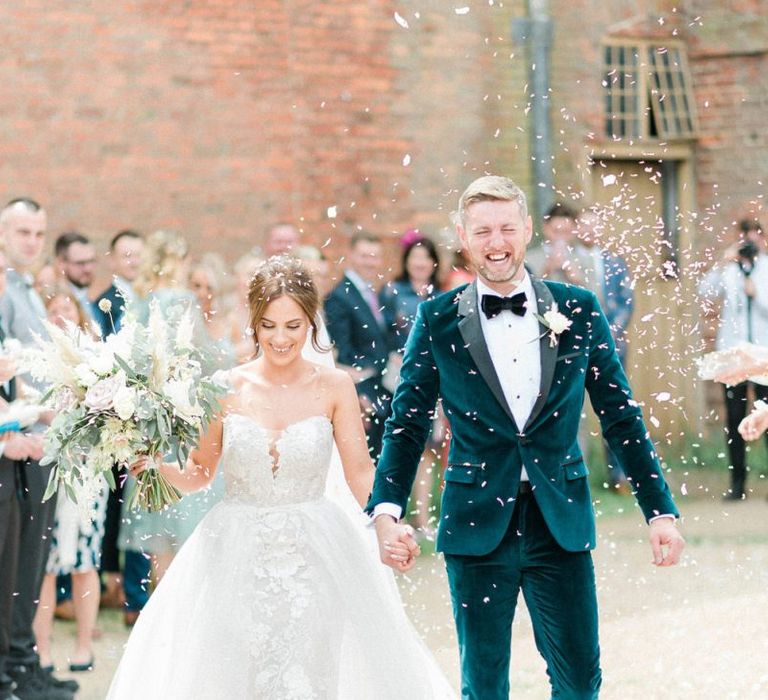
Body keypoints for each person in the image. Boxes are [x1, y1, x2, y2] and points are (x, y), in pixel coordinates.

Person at [368, 176, 685, 700]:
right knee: (485, 685)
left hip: (557, 516)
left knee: (580, 681)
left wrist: (660, 512)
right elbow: (407, 422)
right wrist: (386, 514)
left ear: (528, 229)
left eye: (507, 228)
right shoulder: (438, 317)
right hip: (474, 520)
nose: (497, 243)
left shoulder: (578, 309)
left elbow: (621, 416)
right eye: (484, 231)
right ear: (463, 237)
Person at [106, 256, 455, 699]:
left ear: (311, 322)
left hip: (315, 552)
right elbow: (199, 473)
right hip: (235, 550)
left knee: (312, 665)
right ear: (253, 322)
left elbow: (361, 472)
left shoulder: (334, 387)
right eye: (268, 325)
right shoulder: (225, 388)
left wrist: (389, 524)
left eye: (293, 325)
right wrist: (156, 466)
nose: (281, 337)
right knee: (236, 667)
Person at [0, 198, 78, 700]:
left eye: (38, 232)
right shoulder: (6, 292)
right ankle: (10, 669)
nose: (31, 240)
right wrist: (12, 429)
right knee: (9, 565)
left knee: (30, 562)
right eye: (21, 231)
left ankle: (22, 661)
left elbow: (32, 373)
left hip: (35, 437)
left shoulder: (27, 291)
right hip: (12, 441)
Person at [119, 231, 225, 591]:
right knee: (185, 528)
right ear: (177, 261)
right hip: (182, 424)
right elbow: (203, 358)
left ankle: (158, 609)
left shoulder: (139, 302)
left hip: (150, 424)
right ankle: (182, 612)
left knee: (159, 533)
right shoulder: (181, 301)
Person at [33, 289, 107, 674]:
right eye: (53, 308)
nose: (61, 314)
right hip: (43, 469)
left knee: (84, 559)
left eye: (67, 308)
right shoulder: (33, 358)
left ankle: (83, 646)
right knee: (43, 563)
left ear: (80, 316)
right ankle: (41, 649)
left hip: (87, 471)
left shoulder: (97, 359)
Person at [0, 243, 57, 700]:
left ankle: (14, 665)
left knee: (17, 570)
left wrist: (43, 414)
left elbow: (11, 393)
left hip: (17, 454)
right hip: (7, 453)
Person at [699, 217, 768, 500]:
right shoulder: (729, 270)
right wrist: (722, 263)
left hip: (764, 355)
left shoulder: (766, 269)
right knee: (735, 418)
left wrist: (757, 292)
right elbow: (705, 293)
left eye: (754, 239)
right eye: (745, 240)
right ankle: (737, 482)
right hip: (735, 356)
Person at [379, 234, 442, 533]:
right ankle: (395, 515)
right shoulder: (392, 292)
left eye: (425, 257)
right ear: (406, 261)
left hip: (434, 379)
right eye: (414, 257)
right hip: (399, 379)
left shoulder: (441, 295)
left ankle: (423, 516)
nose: (420, 263)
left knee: (429, 447)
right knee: (401, 444)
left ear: (433, 262)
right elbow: (383, 334)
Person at [576, 207, 635, 491]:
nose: (590, 231)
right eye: (584, 226)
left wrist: (611, 333)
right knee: (575, 412)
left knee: (614, 407)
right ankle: (578, 472)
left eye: (594, 226)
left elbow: (627, 301)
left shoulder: (615, 262)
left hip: (612, 346)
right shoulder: (569, 261)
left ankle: (619, 476)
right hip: (574, 347)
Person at [325, 231, 391, 458]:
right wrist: (358, 394)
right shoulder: (339, 297)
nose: (370, 262)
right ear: (351, 255)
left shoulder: (375, 294)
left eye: (374, 256)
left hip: (381, 387)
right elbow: (342, 352)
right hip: (362, 393)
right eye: (364, 256)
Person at [188, 253, 237, 369]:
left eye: (209, 288)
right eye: (197, 286)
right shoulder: (184, 321)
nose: (202, 294)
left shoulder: (229, 321)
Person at [92, 229, 144, 337]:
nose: (134, 262)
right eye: (127, 256)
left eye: (139, 255)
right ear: (112, 260)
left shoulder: (153, 296)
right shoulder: (103, 304)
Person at [526, 202, 591, 285]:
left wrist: (578, 280)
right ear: (545, 227)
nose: (560, 237)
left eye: (566, 232)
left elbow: (598, 295)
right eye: (556, 231)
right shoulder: (529, 259)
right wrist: (546, 271)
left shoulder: (585, 259)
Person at [53, 231, 98, 326]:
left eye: (91, 261)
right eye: (80, 263)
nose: (88, 269)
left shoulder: (93, 306)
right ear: (61, 263)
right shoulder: (53, 306)